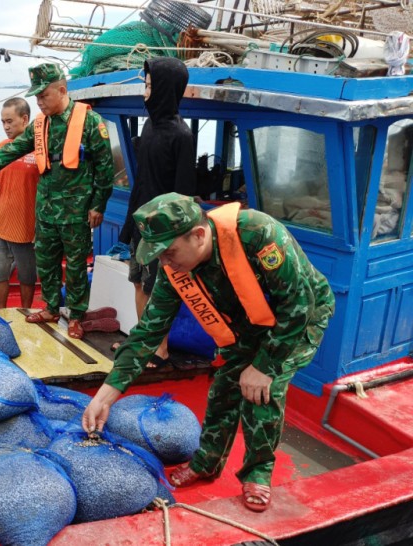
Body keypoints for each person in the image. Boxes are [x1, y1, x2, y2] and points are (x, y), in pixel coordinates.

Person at [82, 193, 335, 512]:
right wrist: (105, 395)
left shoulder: (259, 234)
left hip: (300, 317)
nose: (165, 262)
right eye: (159, 255)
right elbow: (149, 331)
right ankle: (207, 462)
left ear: (198, 235)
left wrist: (265, 366)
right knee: (222, 393)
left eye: (170, 252)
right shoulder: (175, 267)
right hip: (249, 324)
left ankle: (258, 472)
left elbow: (299, 305)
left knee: (261, 394)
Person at [0, 63, 114, 339]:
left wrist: (98, 205)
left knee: (74, 266)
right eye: (36, 96)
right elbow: (8, 153)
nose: (39, 102)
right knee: (46, 263)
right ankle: (50, 307)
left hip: (76, 210)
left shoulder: (90, 122)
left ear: (61, 90)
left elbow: (105, 168)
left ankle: (75, 315)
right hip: (45, 210)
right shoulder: (39, 125)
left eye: (44, 95)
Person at [112, 57, 197, 364]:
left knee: (158, 290)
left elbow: (184, 194)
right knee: (137, 281)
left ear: (164, 89)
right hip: (141, 224)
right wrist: (128, 226)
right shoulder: (148, 126)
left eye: (149, 86)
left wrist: (176, 237)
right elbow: (142, 180)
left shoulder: (181, 136)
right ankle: (142, 340)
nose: (145, 93)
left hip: (162, 231)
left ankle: (159, 348)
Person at [0, 97, 40, 309]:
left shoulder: (38, 151)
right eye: (3, 122)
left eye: (10, 121)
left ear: (25, 119)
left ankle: (25, 312)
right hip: (1, 225)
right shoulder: (1, 148)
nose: (6, 127)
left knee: (27, 275)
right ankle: (2, 312)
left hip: (26, 228)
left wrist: (40, 226)